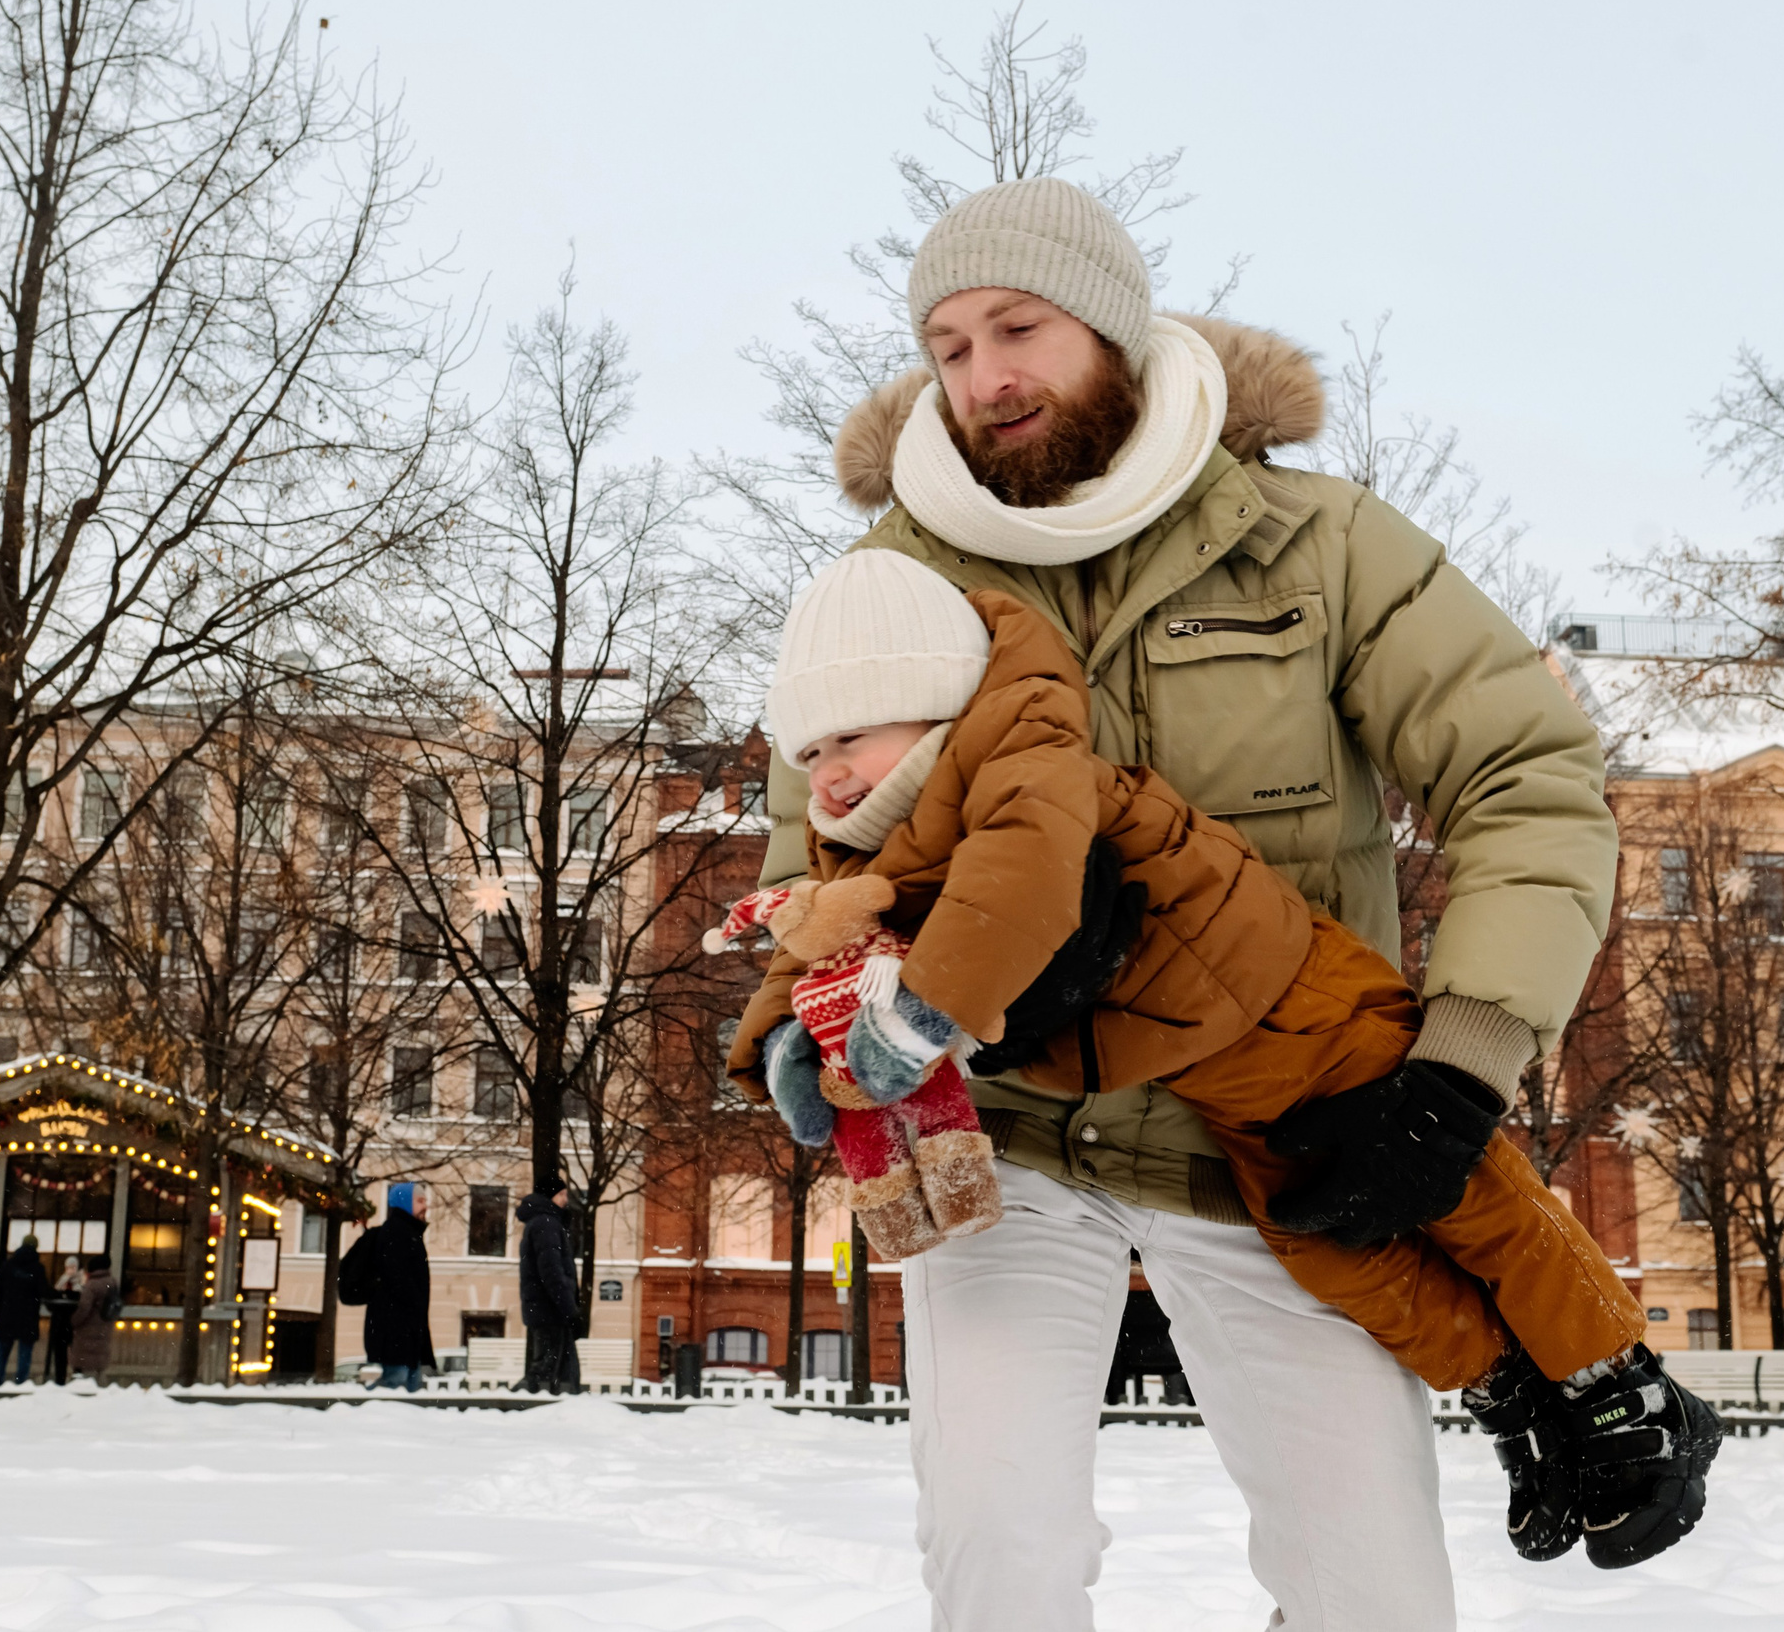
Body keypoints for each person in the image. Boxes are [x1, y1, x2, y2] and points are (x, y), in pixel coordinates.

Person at [750, 176, 1687, 1629]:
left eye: (1020, 328)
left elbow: (1523, 774)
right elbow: (811, 849)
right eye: (946, 345)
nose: (984, 377)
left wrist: (1458, 1064)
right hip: (1008, 1135)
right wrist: (796, 1035)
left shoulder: (1315, 544)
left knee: (1370, 1587)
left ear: (1116, 332)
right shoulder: (891, 582)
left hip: (1276, 1125)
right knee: (1002, 1557)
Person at [725, 556, 1702, 1519]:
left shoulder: (1018, 760)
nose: (829, 770)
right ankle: (1508, 1389)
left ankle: (1625, 1383)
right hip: (1214, 1079)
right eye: (809, 751)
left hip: (1301, 1005)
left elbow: (1014, 882)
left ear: (929, 700)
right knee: (1332, 1248)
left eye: (851, 734)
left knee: (1467, 1194)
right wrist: (786, 1047)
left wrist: (916, 1013)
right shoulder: (864, 837)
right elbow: (816, 931)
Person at [338, 1181, 436, 1392]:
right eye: (419, 1201)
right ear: (404, 1203)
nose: (425, 1206)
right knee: (395, 1390)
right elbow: (400, 1285)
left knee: (404, 1393)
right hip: (397, 1334)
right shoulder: (397, 1234)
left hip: (403, 1334)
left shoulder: (408, 1234)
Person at [515, 1178, 582, 1395]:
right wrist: (570, 1310)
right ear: (549, 1197)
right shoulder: (547, 1224)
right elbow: (552, 1272)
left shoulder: (539, 1223)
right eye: (561, 1195)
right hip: (551, 1310)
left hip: (543, 1308)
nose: (565, 1200)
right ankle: (517, 1406)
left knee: (552, 1370)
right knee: (549, 1372)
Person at [0, 1236, 47, 1386]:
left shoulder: (8, 1265)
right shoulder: (37, 1268)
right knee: (25, 1354)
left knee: (2, 1353)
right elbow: (44, 1291)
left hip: (7, 1315)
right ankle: (20, 1384)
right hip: (29, 1316)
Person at [66, 1253, 117, 1381]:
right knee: (98, 1363)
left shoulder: (92, 1285)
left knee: (84, 1365)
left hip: (87, 1330)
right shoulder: (112, 1283)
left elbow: (84, 1308)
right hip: (105, 1327)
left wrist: (73, 1321)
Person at [44, 1258, 84, 1385]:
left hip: (74, 1323)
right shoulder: (62, 1280)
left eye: (73, 1267)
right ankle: (59, 1379)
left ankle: (77, 1378)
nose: (71, 1270)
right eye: (68, 1267)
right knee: (60, 1353)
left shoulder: (82, 1281)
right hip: (61, 1323)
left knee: (76, 1351)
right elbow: (54, 1294)